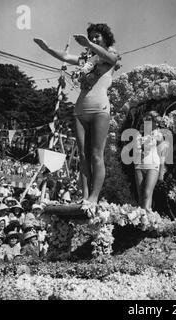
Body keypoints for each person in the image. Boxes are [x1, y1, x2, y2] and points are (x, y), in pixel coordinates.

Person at [34, 23, 120, 215]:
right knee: (83, 156)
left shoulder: (109, 56)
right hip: (80, 109)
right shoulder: (85, 61)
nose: (95, 39)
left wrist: (90, 43)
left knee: (96, 155)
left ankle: (94, 198)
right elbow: (65, 57)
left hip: (100, 109)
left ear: (105, 38)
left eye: (97, 36)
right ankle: (85, 196)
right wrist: (47, 49)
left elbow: (109, 57)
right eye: (92, 36)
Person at [133, 111, 169, 211]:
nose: (148, 122)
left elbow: (162, 155)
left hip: (153, 166)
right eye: (146, 120)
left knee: (147, 193)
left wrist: (162, 171)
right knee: (141, 197)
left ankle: (147, 215)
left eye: (151, 120)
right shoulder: (138, 134)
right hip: (139, 166)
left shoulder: (158, 135)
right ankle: (143, 220)